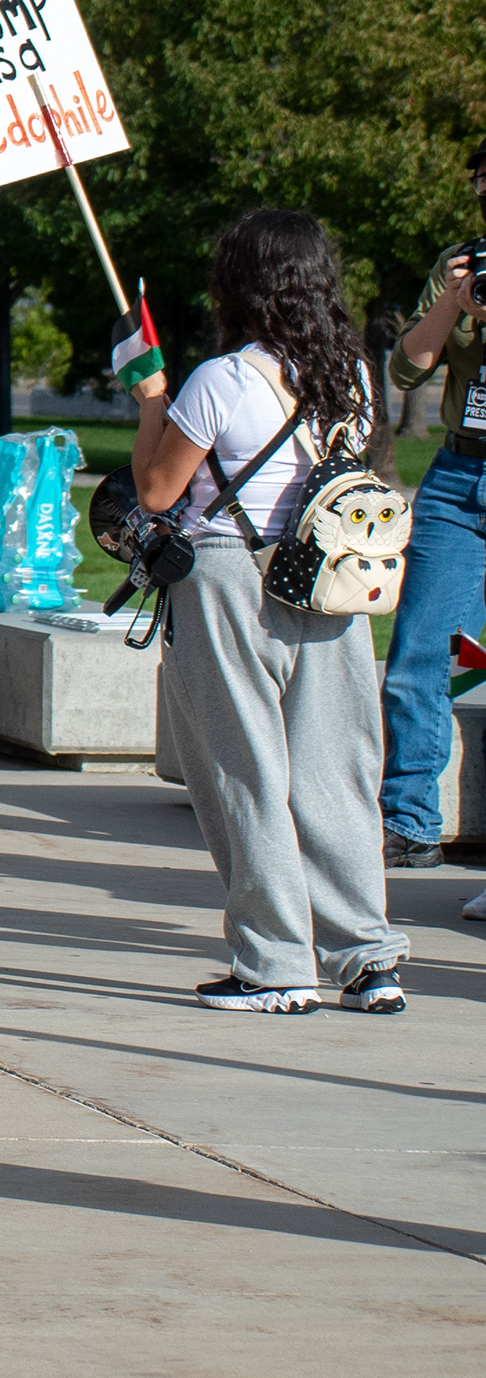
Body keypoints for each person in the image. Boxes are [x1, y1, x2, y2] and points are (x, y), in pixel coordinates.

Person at [127, 208, 408, 1013]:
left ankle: (276, 963)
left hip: (227, 576)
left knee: (243, 770)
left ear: (240, 283)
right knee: (338, 772)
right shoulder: (353, 374)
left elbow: (155, 491)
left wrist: (152, 399)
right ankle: (367, 957)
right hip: (326, 577)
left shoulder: (223, 379)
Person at [379, 145, 486, 869]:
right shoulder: (461, 266)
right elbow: (405, 369)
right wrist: (453, 303)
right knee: (424, 653)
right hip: (459, 477)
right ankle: (410, 822)